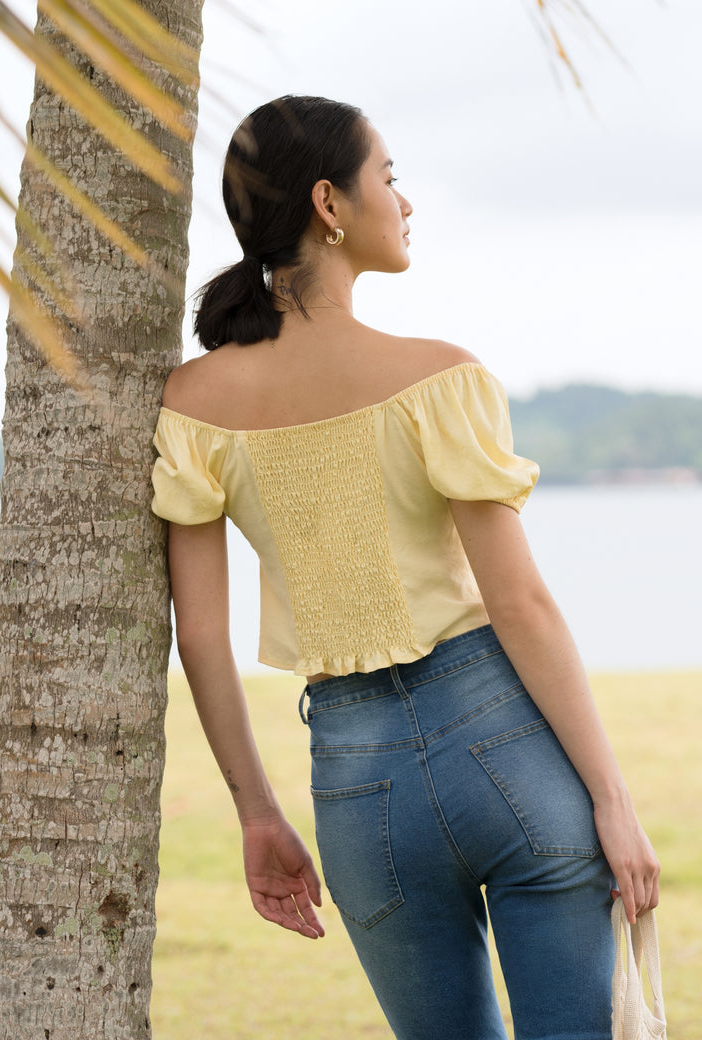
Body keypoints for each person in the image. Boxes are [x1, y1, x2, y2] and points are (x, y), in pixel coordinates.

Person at [151, 95, 660, 1039]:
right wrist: (613, 801)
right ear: (329, 204)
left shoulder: (193, 404)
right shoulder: (440, 379)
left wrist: (258, 813)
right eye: (388, 177)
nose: (405, 201)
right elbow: (523, 605)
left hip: (356, 786)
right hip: (504, 749)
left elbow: (202, 637)